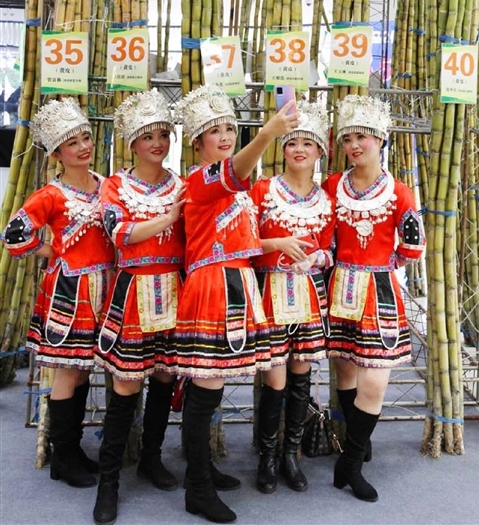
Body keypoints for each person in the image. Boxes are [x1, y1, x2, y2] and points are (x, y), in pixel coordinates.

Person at [173, 85, 299, 525]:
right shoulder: (200, 181)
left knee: (211, 389)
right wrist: (267, 134)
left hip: (237, 282)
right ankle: (197, 489)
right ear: (197, 143)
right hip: (212, 287)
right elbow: (235, 170)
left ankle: (201, 471)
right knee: (205, 391)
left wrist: (276, 242)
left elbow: (242, 242)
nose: (225, 135)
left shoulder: (235, 187)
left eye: (230, 128)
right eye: (215, 131)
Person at [2, 98, 114, 488]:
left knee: (83, 370)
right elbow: (14, 235)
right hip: (70, 290)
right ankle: (62, 455)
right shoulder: (51, 195)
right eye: (72, 143)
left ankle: (72, 448)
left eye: (85, 138)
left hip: (105, 286)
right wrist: (49, 250)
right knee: (68, 370)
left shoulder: (106, 185)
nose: (83, 147)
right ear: (56, 154)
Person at [322, 94, 425, 503]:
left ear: (380, 139)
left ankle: (348, 464)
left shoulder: (399, 193)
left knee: (375, 381)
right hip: (340, 288)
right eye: (347, 138)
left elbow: (413, 245)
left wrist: (385, 263)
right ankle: (357, 445)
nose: (354, 145)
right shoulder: (333, 185)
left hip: (379, 292)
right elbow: (323, 235)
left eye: (362, 137)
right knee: (346, 372)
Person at [92, 89, 185, 525]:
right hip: (132, 291)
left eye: (163, 135)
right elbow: (120, 234)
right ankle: (108, 482)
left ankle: (151, 457)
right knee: (127, 385)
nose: (157, 143)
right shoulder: (114, 185)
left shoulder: (180, 184)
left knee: (165, 376)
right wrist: (168, 219)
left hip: (174, 290)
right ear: (131, 142)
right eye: (148, 136)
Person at [250, 101, 335, 494]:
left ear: (320, 151)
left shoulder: (327, 200)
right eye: (291, 143)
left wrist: (318, 257)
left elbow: (332, 250)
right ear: (282, 149)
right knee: (275, 378)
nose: (299, 149)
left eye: (307, 143)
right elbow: (243, 242)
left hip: (309, 295)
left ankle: (290, 455)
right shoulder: (262, 190)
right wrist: (275, 244)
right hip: (270, 292)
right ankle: (267, 456)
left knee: (301, 377)